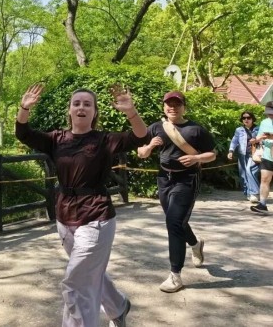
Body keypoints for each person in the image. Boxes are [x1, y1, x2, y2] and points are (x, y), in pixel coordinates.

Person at [16, 83, 147, 327]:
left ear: (94, 112)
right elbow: (23, 134)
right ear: (70, 110)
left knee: (76, 283)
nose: (81, 107)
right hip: (65, 217)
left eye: (88, 104)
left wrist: (131, 112)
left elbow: (141, 136)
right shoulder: (56, 139)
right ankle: (118, 306)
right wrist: (24, 109)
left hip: (96, 216)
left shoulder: (104, 140)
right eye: (76, 103)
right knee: (88, 273)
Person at [137, 91, 216, 293]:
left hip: (187, 179)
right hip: (164, 178)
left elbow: (213, 154)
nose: (172, 107)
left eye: (177, 104)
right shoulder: (156, 127)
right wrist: (149, 147)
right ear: (164, 107)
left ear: (184, 107)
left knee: (173, 222)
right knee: (176, 221)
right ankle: (195, 244)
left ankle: (175, 275)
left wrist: (196, 158)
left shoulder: (196, 129)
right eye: (169, 104)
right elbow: (141, 152)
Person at [227, 111, 260, 203]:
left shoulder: (258, 129)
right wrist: (231, 151)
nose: (246, 119)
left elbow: (265, 140)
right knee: (243, 175)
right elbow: (234, 141)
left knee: (250, 171)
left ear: (252, 119)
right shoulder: (239, 130)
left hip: (254, 154)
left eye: (248, 118)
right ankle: (248, 193)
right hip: (242, 154)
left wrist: (257, 140)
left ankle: (254, 193)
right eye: (244, 118)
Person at [250, 101, 273, 214]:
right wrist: (256, 140)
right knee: (264, 179)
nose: (270, 115)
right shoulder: (264, 122)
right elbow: (259, 137)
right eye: (268, 113)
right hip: (267, 155)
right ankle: (262, 204)